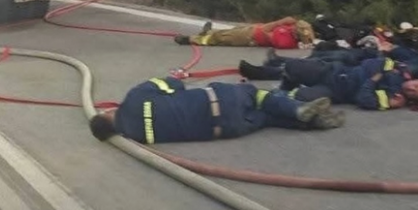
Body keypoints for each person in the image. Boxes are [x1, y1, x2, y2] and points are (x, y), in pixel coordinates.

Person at [88, 75, 344, 144]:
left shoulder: (137, 137)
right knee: (259, 96)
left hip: (229, 129)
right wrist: (176, 78)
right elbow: (174, 83)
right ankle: (298, 109)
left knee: (266, 119)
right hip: (219, 100)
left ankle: (313, 122)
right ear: (105, 114)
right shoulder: (134, 98)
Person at [238, 57, 418, 111]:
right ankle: (256, 72)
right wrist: (378, 74)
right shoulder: (401, 69)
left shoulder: (394, 98)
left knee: (301, 99)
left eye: (414, 94)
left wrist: (374, 79)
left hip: (334, 91)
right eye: (417, 86)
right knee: (292, 66)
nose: (411, 89)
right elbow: (371, 62)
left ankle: (249, 94)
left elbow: (363, 98)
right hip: (334, 71)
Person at [173, 17, 316, 49]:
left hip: (250, 37)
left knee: (220, 38)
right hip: (253, 29)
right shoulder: (290, 30)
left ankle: (189, 39)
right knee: (226, 31)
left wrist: (280, 22)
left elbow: (266, 31)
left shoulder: (285, 42)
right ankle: (207, 32)